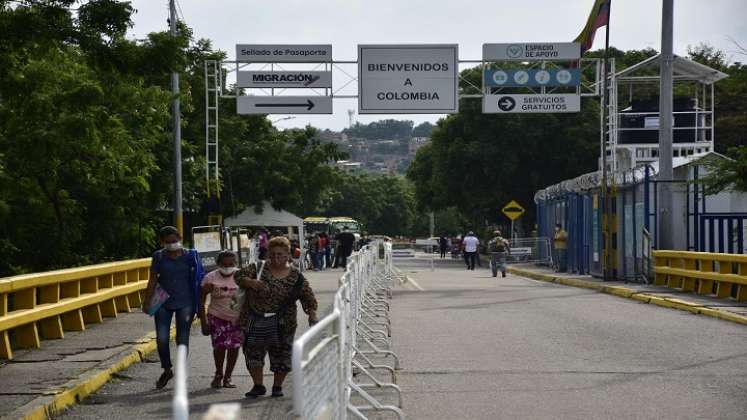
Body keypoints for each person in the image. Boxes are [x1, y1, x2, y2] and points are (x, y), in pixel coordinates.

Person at [235, 236, 318, 398]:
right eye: (272, 254)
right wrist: (251, 282)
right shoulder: (258, 268)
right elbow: (238, 277)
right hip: (255, 318)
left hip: (283, 323)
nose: (276, 258)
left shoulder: (296, 276)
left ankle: (277, 387)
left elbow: (308, 297)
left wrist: (312, 314)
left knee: (282, 356)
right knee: (253, 354)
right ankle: (258, 385)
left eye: (280, 254)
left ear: (288, 254)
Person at [143, 226, 205, 389]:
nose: (172, 244)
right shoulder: (158, 256)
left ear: (180, 237)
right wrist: (147, 300)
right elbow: (152, 279)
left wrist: (201, 304)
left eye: (174, 241)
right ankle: (167, 369)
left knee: (182, 338)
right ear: (162, 242)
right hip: (163, 301)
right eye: (168, 242)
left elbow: (200, 278)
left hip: (186, 301)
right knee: (161, 339)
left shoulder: (191, 255)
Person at [199, 250, 242, 388]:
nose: (227, 267)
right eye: (224, 264)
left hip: (237, 318)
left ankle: (228, 377)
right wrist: (203, 322)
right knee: (219, 347)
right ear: (218, 264)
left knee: (234, 347)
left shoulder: (241, 276)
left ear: (235, 264)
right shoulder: (210, 277)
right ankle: (218, 374)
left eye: (231, 264)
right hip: (217, 316)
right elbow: (201, 300)